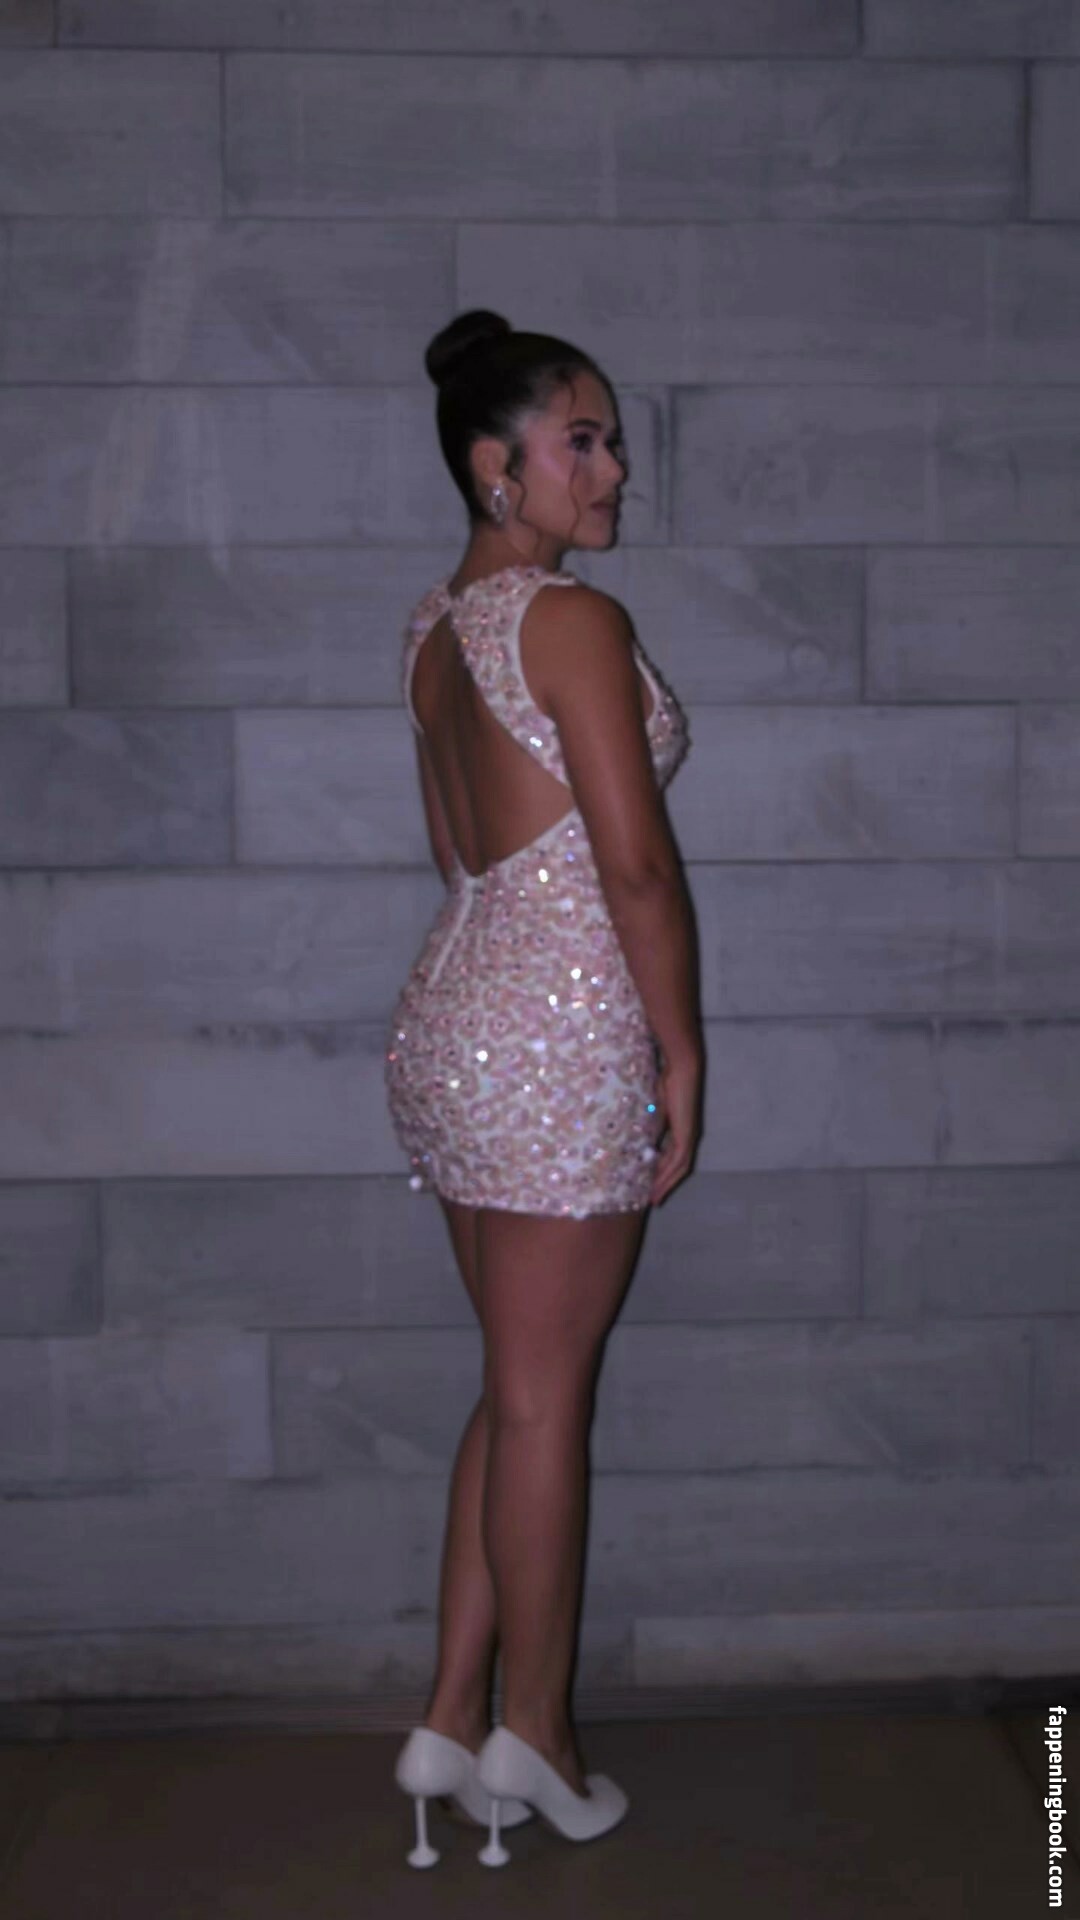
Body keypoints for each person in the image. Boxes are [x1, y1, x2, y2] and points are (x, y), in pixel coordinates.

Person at [385, 309, 704, 1868]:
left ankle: (453, 1721)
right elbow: (633, 870)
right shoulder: (567, 620)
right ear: (494, 465)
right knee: (542, 1399)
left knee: (514, 1384)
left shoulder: (432, 630)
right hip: (558, 1036)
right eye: (584, 439)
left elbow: (461, 852)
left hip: (452, 1021)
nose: (615, 466)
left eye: (611, 438)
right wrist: (680, 1048)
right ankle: (542, 1735)